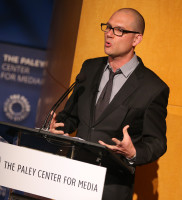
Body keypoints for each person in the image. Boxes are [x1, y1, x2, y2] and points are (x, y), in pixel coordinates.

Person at [49, 8, 169, 200]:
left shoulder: (153, 87)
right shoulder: (89, 67)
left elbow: (157, 143)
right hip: (72, 179)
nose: (109, 34)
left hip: (111, 188)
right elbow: (71, 116)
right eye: (108, 27)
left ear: (136, 39)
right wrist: (58, 126)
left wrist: (133, 152)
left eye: (119, 30)